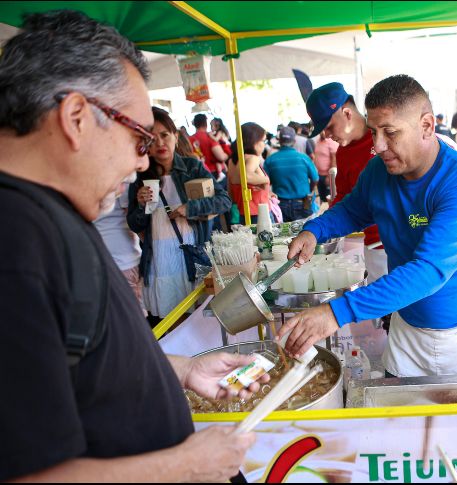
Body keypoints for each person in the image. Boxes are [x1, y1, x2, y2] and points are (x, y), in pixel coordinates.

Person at [0, 10, 267, 482]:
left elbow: (76, 360)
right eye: (140, 138)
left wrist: (179, 369)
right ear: (76, 118)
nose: (141, 162)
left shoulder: (51, 211)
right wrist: (187, 465)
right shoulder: (15, 242)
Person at [280, 75, 457, 378]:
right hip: (408, 326)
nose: (378, 146)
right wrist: (315, 230)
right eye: (374, 132)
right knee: (398, 406)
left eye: (390, 133)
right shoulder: (378, 171)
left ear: (427, 126)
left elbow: (427, 271)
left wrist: (337, 312)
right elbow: (353, 209)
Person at [128, 107, 232, 327]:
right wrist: (141, 205)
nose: (160, 143)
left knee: (199, 320)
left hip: (192, 255)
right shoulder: (140, 176)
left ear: (175, 136)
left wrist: (190, 208)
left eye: (165, 135)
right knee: (171, 323)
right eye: (152, 138)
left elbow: (223, 200)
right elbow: (134, 223)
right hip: (159, 261)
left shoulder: (192, 167)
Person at [305, 82, 388, 285]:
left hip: (400, 241)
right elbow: (344, 197)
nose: (327, 135)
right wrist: (323, 225)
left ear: (347, 113)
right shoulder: (343, 153)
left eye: (329, 126)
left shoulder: (384, 138)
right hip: (373, 245)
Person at [94, 184, 146, 314]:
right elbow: (134, 221)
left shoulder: (88, 180)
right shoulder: (122, 181)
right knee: (134, 314)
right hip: (125, 257)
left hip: (99, 257)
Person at [263, 126, 318, 222]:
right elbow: (315, 179)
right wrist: (309, 190)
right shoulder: (304, 158)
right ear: (294, 141)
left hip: (280, 204)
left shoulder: (270, 160)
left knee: (284, 231)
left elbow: (266, 183)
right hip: (303, 203)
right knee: (305, 230)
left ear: (279, 141)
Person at [228, 122, 271, 225]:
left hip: (242, 212)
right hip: (258, 213)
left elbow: (230, 188)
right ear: (254, 141)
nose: (264, 144)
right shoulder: (253, 158)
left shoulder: (233, 160)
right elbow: (247, 176)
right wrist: (266, 180)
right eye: (263, 140)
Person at [189, 113, 228, 180]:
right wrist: (227, 154)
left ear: (195, 124)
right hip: (215, 173)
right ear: (206, 124)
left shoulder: (189, 139)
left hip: (199, 174)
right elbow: (221, 157)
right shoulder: (210, 137)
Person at [313, 132, 339, 203]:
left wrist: (329, 176)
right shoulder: (318, 141)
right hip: (319, 175)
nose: (322, 132)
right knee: (322, 197)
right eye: (321, 131)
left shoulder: (331, 141)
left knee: (329, 198)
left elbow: (334, 159)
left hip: (328, 176)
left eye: (324, 130)